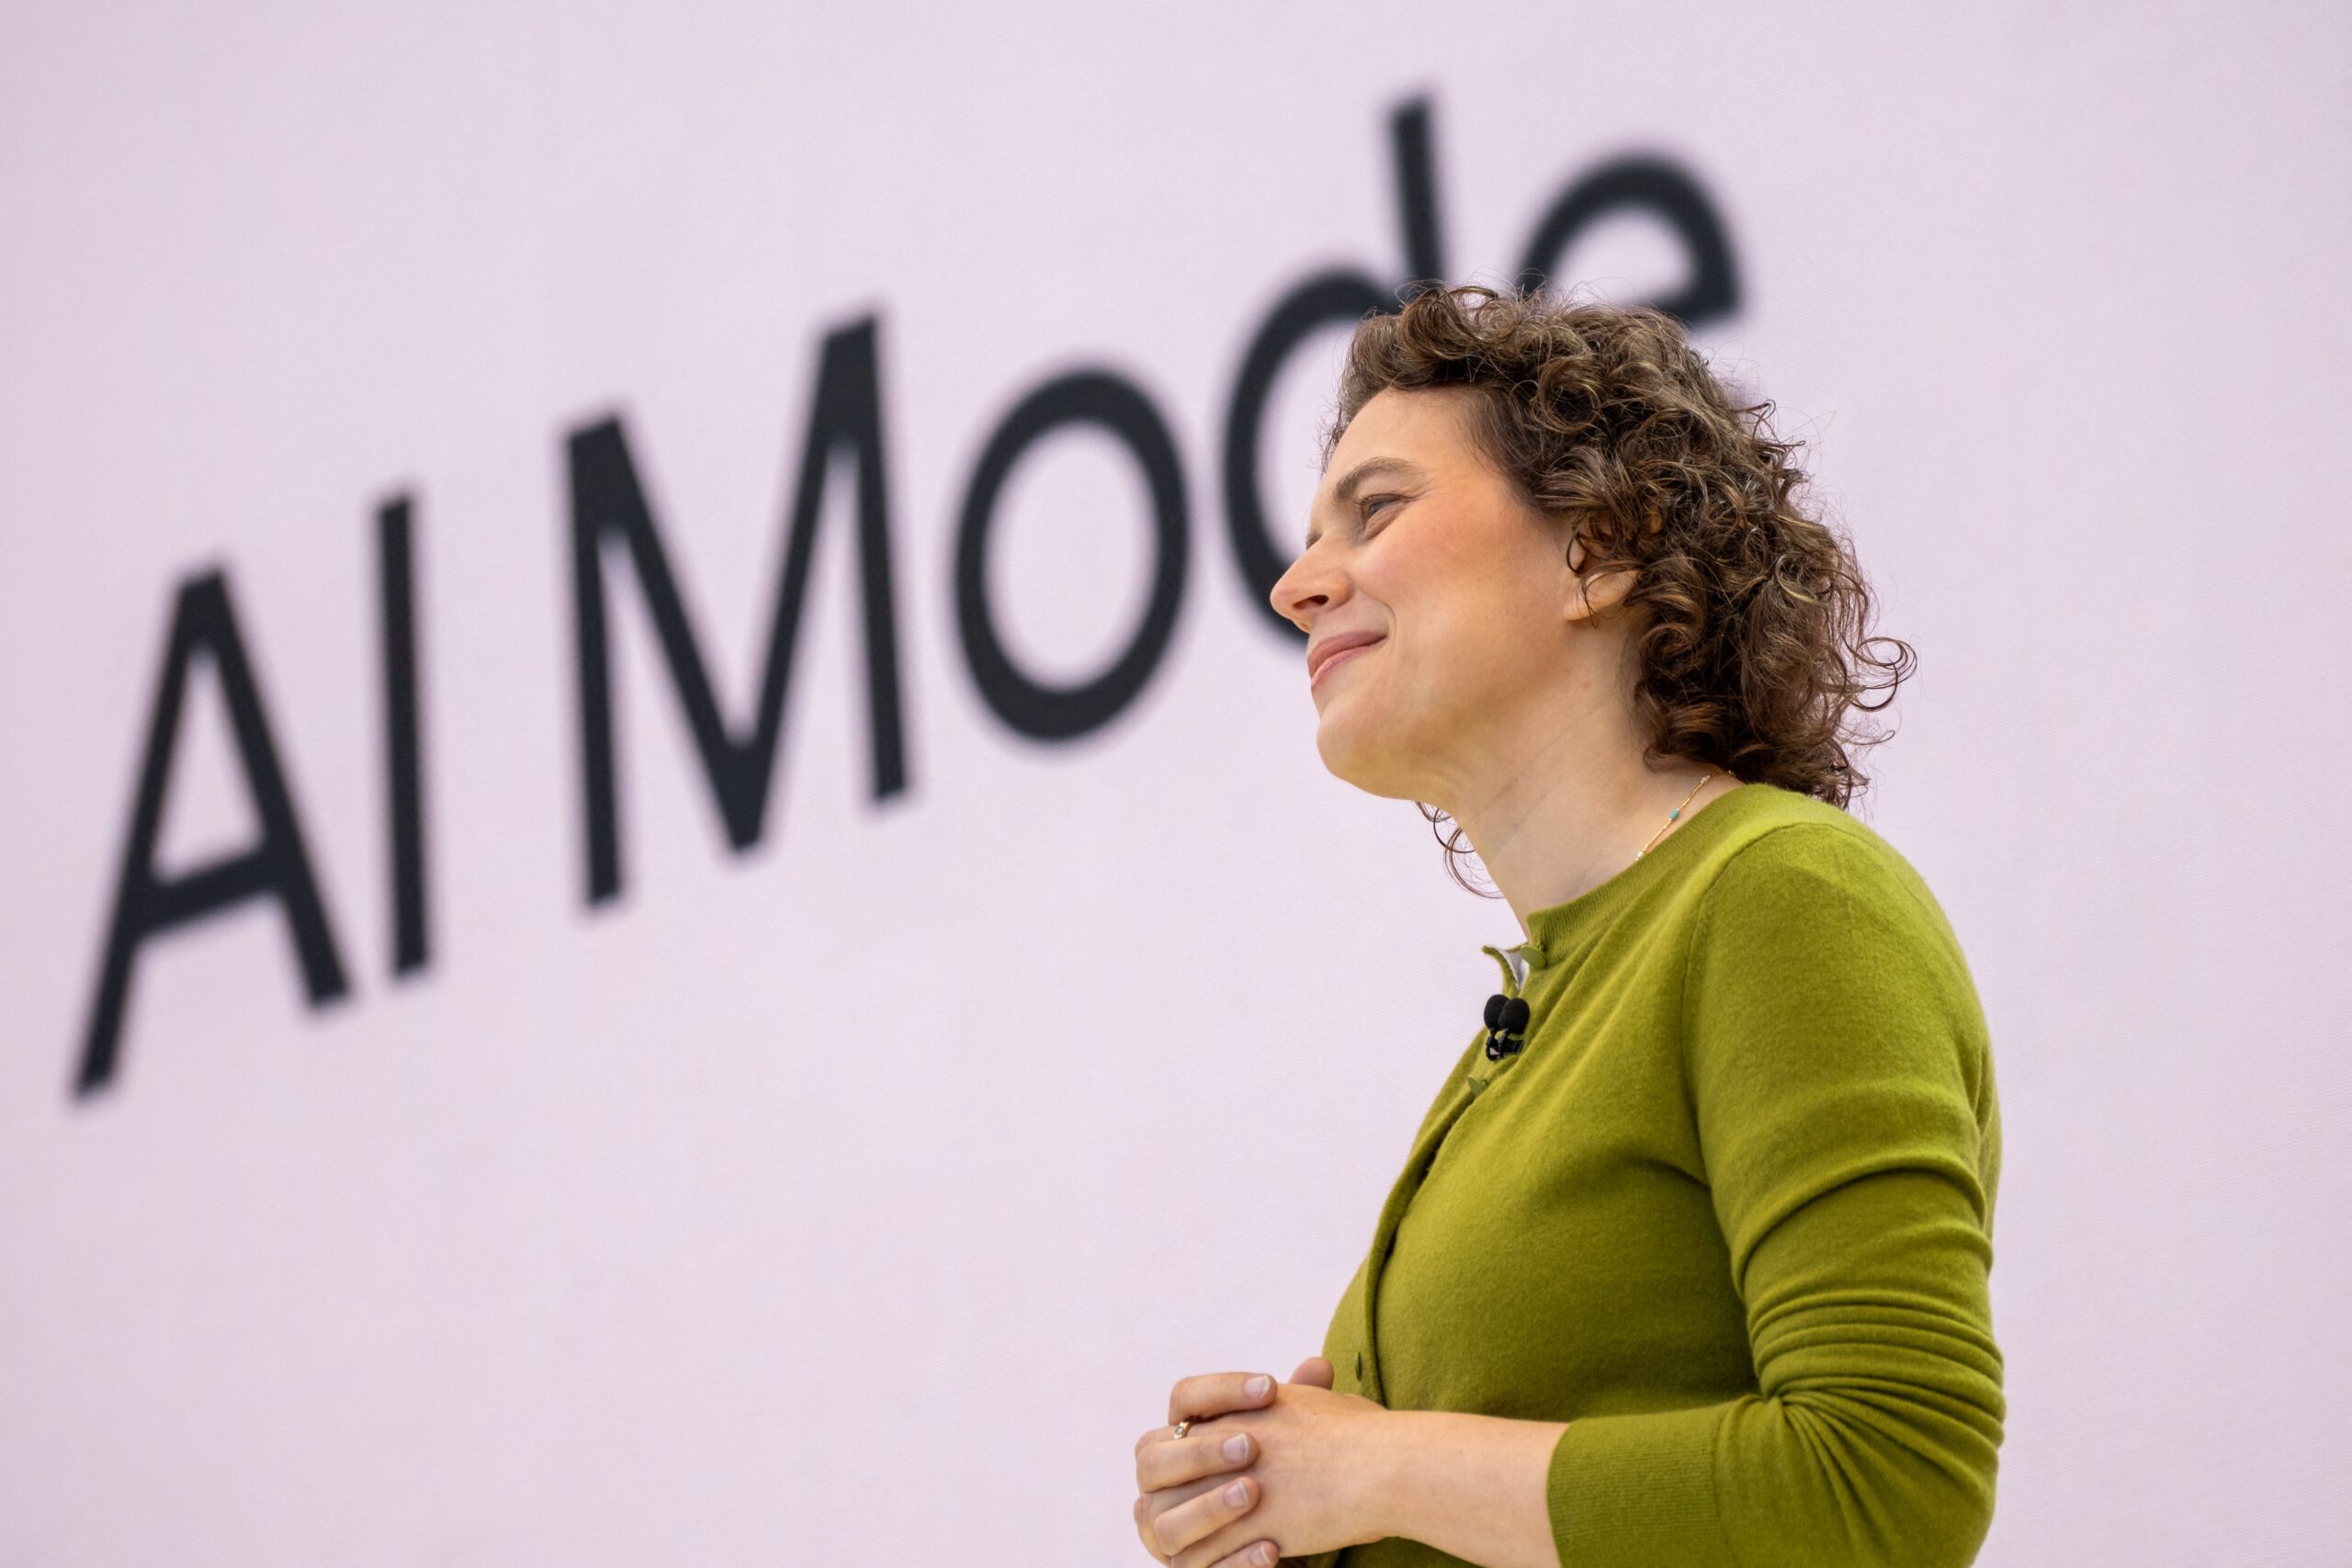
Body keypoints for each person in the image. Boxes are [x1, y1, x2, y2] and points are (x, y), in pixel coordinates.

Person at [1128, 285, 2004, 1568]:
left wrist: (1378, 1470)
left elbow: (1888, 1484)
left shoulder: (1779, 897)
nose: (1297, 585)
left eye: (1375, 510)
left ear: (1597, 544)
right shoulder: (1540, 1012)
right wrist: (1270, 1499)